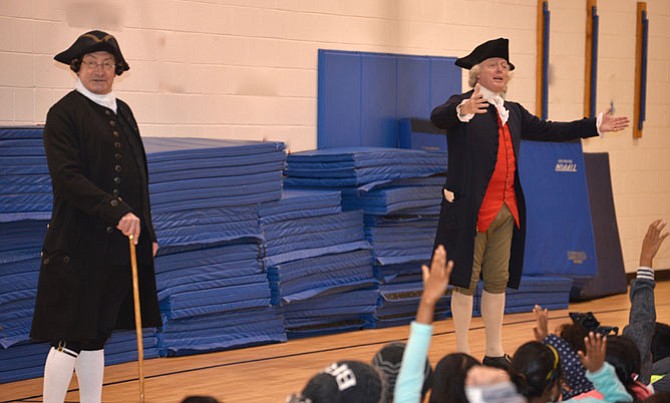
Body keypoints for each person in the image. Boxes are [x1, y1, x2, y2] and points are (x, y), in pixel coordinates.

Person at [430, 37, 630, 368]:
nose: (501, 70)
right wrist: (460, 111)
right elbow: (438, 116)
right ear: (477, 73)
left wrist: (594, 125)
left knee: (496, 282)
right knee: (464, 282)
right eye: (494, 64)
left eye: (505, 66)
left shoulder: (516, 113)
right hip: (470, 212)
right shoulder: (461, 104)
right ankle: (461, 353)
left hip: (507, 212)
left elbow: (553, 130)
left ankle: (493, 351)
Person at [29, 30, 162, 403]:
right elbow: (68, 178)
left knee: (97, 333)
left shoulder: (125, 112)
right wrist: (117, 211)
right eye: (91, 63)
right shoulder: (63, 113)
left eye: (107, 64)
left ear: (117, 70)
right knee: (70, 337)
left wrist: (147, 230)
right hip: (78, 244)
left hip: (118, 248)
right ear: (77, 67)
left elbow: (139, 175)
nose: (99, 71)